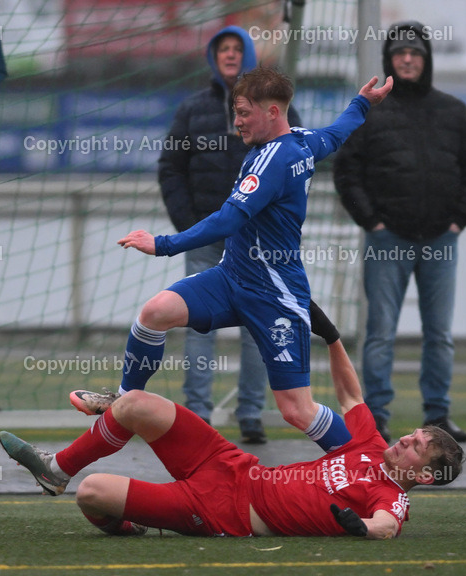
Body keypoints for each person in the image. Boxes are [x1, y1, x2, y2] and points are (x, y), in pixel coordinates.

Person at [72, 68, 394, 455]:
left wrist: (163, 243)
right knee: (155, 312)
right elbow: (337, 132)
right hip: (232, 277)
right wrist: (361, 104)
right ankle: (122, 401)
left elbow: (227, 220)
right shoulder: (304, 141)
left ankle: (367, 467)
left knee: (297, 410)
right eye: (235, 112)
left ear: (272, 112)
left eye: (243, 112)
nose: (236, 121)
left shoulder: (272, 160)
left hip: (274, 293)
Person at [1, 303, 465, 538]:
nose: (406, 438)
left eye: (417, 445)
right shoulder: (370, 442)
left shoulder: (390, 498)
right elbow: (350, 395)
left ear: (423, 474)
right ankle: (56, 469)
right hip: (231, 463)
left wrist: (361, 528)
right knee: (135, 403)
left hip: (223, 512)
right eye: (414, 433)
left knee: (94, 494)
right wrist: (331, 337)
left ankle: (133, 524)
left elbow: (387, 525)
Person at [333, 21, 466, 444]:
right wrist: (373, 222)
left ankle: (438, 416)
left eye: (414, 53)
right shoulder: (370, 111)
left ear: (426, 59)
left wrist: (461, 219)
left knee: (439, 334)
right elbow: (347, 172)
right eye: (399, 53)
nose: (406, 59)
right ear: (388, 60)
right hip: (387, 239)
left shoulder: (453, 111)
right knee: (379, 332)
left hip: (441, 238)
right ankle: (376, 418)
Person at [159, 26, 304, 442]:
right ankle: (198, 414)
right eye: (222, 48)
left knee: (259, 327)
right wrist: (188, 223)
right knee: (197, 325)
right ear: (212, 56)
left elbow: (299, 161)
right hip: (206, 233)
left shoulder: (274, 113)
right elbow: (171, 167)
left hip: (259, 245)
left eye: (237, 48)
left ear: (250, 55)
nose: (230, 54)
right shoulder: (192, 110)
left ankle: (251, 412)